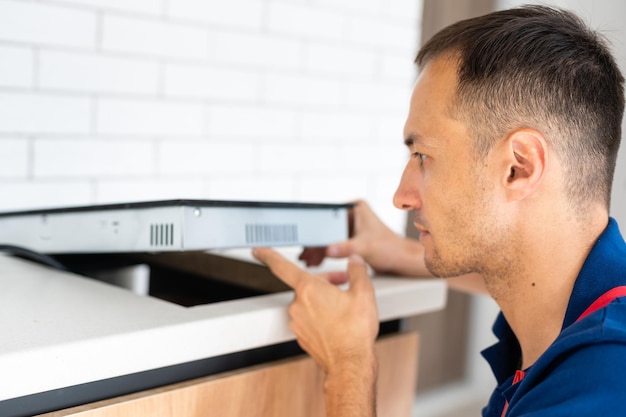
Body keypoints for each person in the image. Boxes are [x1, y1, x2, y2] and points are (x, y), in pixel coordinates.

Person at [253, 5, 626, 417]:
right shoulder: (595, 314)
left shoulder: (602, 382)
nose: (401, 196)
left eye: (424, 155)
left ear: (518, 167)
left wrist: (348, 365)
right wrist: (402, 252)